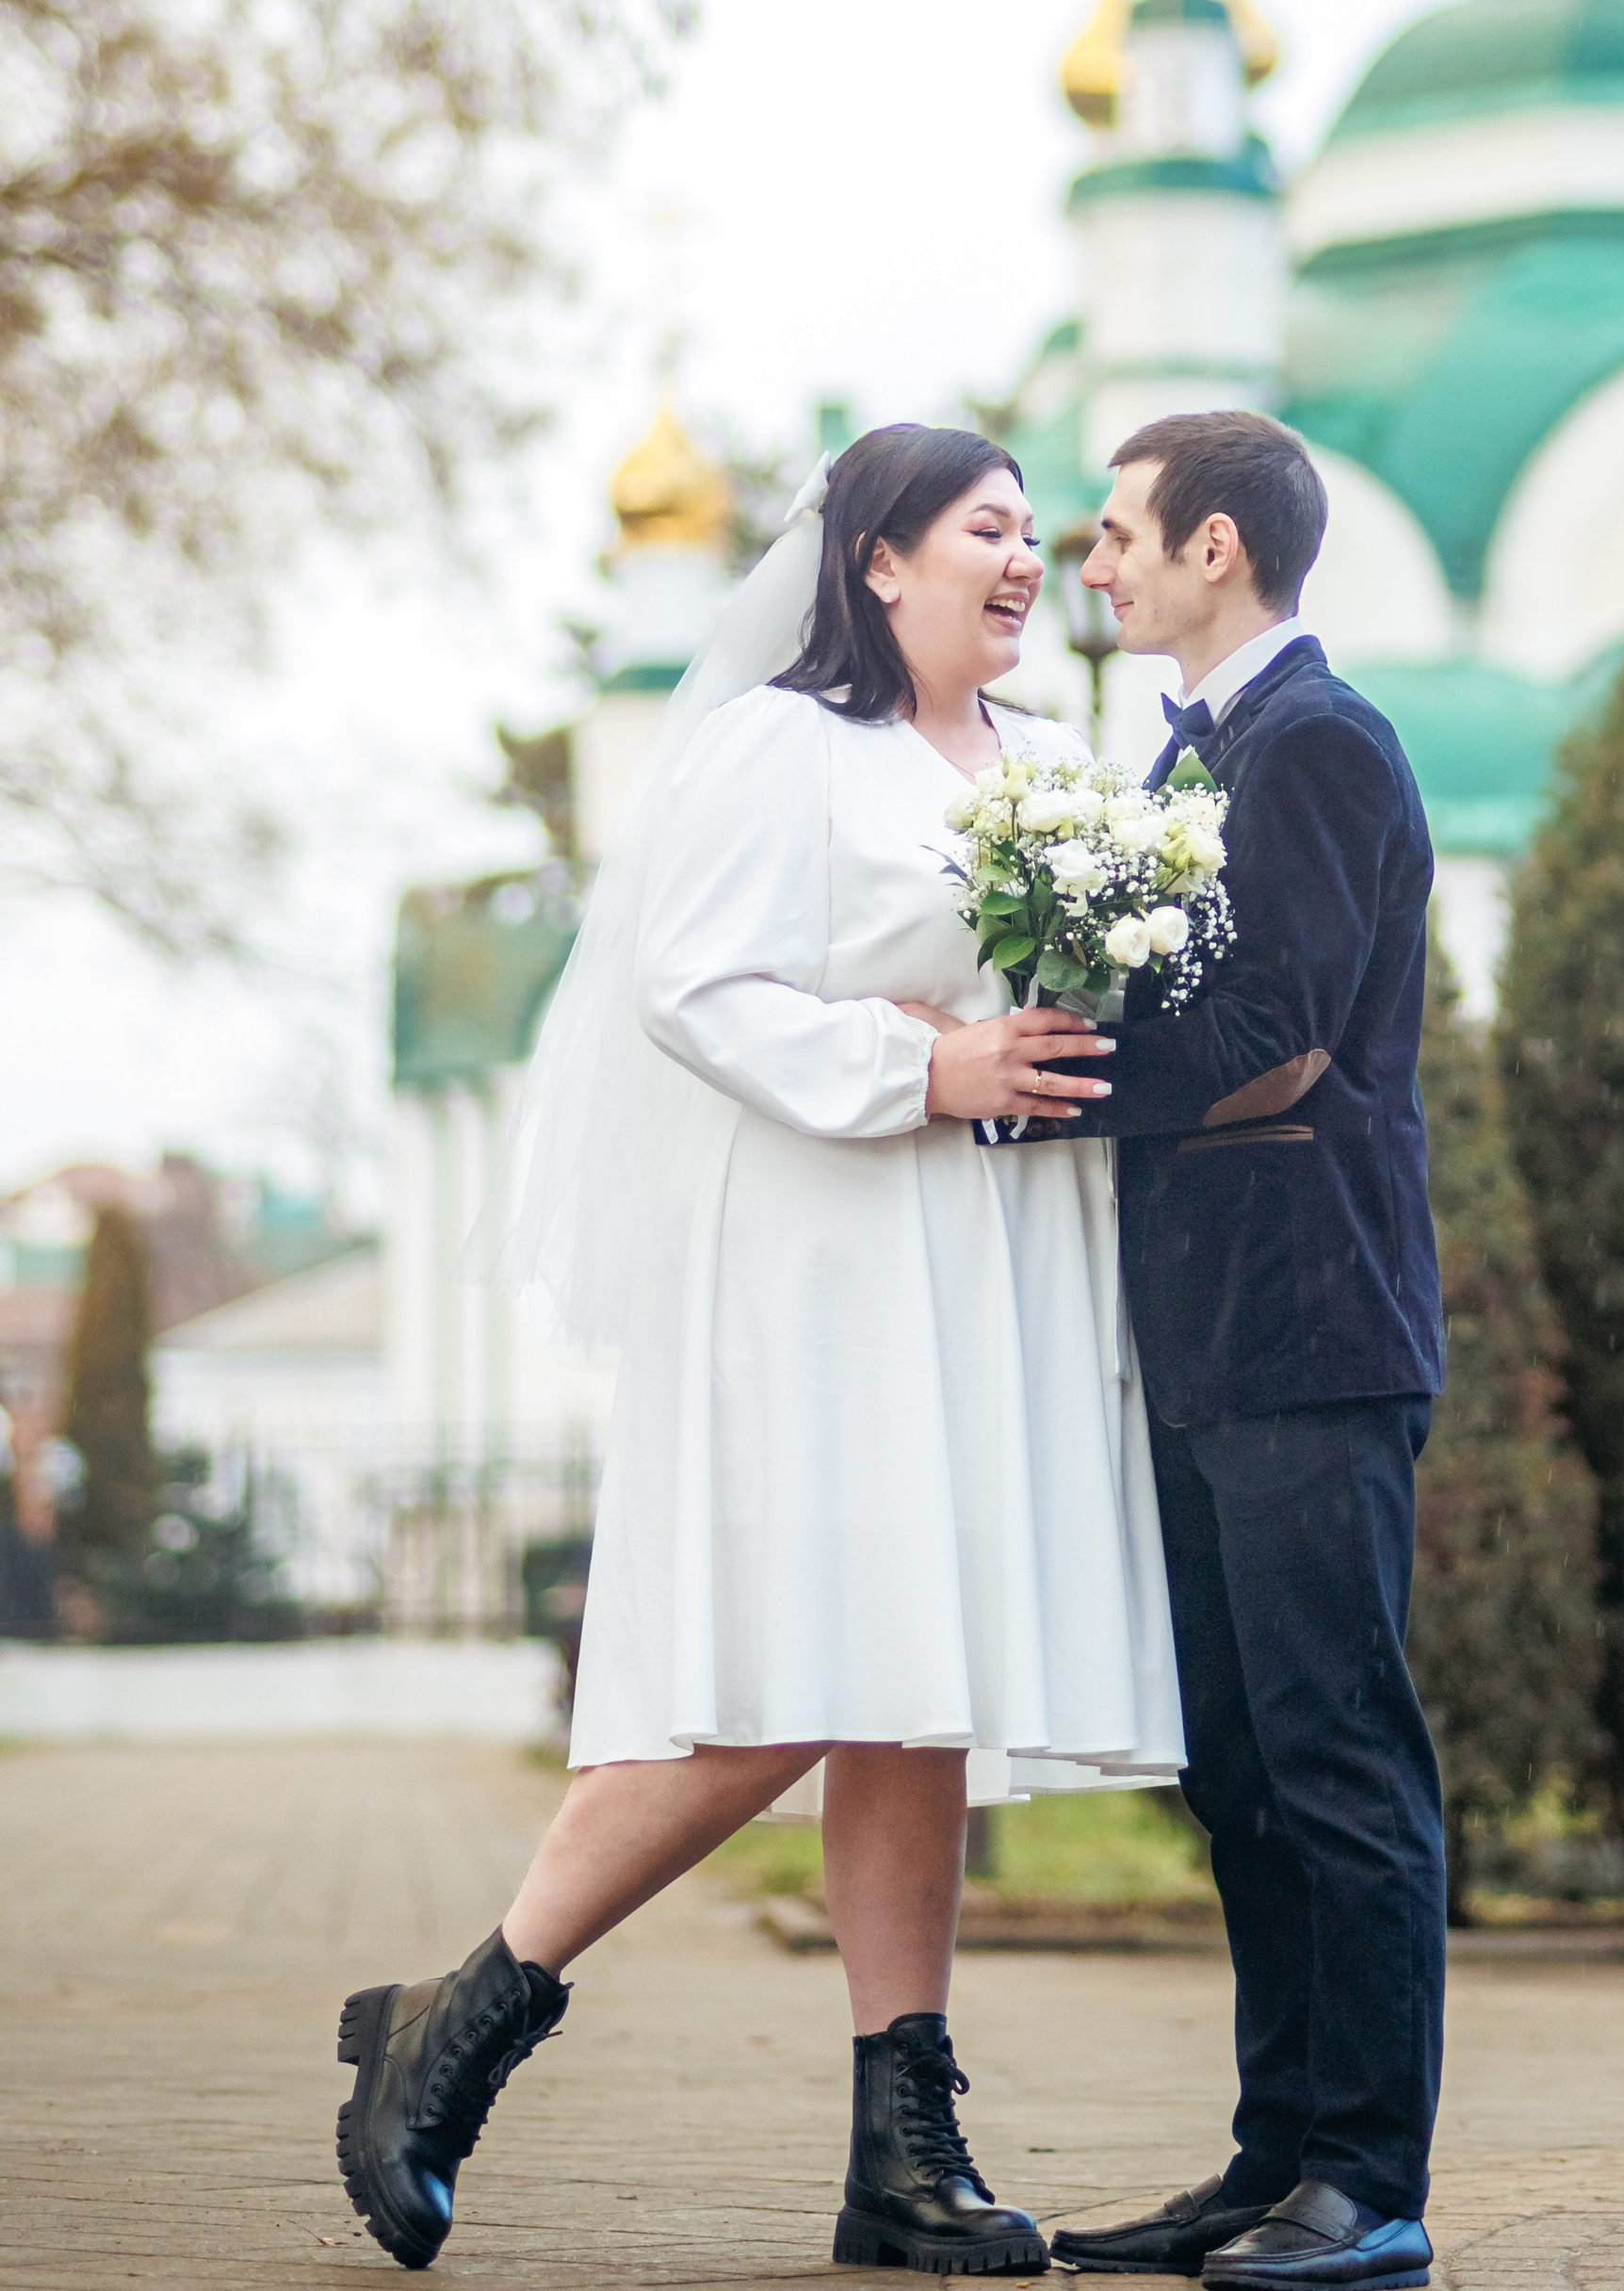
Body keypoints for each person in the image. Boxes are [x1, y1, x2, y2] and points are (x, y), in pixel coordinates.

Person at [334, 425, 1181, 2275]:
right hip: (818, 1252)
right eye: (986, 529)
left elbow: (1094, 992)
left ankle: (903, 2151)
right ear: (875, 561)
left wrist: (1047, 1021)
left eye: (1035, 535)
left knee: (912, 1685)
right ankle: (462, 2019)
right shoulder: (776, 747)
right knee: (790, 1678)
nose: (1026, 562)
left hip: (986, 1257)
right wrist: (915, 1062)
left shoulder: (1056, 763)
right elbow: (690, 986)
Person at [1044, 412, 1448, 2291]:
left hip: (1313, 1326)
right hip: (1207, 1337)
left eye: (1118, 531)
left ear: (1216, 547)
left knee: (1336, 1758)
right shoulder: (1191, 753)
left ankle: (1366, 2184)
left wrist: (1025, 1098)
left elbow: (1280, 1034)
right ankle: (1266, 2160)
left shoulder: (1319, 743)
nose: (1091, 560)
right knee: (1239, 1770)